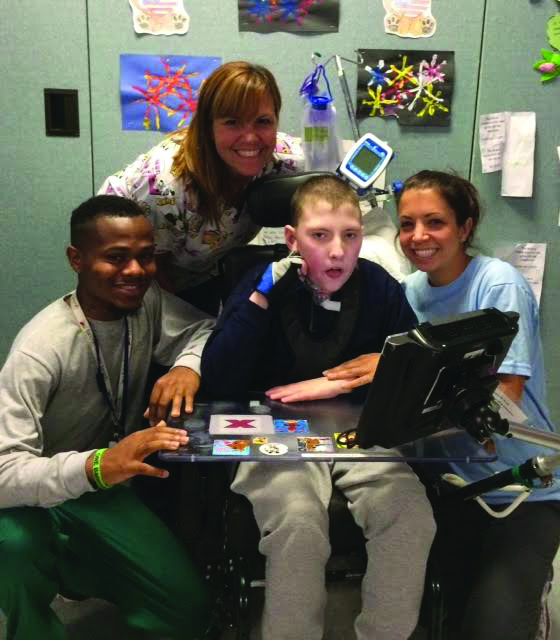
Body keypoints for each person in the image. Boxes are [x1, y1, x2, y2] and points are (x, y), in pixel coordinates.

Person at [201, 175, 436, 640]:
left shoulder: (378, 286)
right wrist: (260, 296)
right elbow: (219, 380)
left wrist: (349, 380)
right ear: (292, 239)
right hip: (273, 432)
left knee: (411, 517)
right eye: (320, 236)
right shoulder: (260, 283)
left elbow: (408, 370)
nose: (337, 252)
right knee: (299, 524)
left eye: (350, 236)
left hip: (356, 430)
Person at [0, 195, 216, 640]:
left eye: (144, 257)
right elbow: (4, 472)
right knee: (13, 546)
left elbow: (203, 328)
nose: (135, 272)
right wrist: (98, 465)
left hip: (103, 492)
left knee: (187, 611)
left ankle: (77, 568)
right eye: (116, 258)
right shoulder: (39, 350)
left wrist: (184, 366)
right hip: (34, 497)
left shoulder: (146, 303)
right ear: (76, 260)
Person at [396, 169, 560, 640]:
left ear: (466, 227)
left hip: (520, 489)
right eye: (407, 224)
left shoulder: (498, 283)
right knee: (429, 621)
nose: (418, 237)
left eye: (435, 222)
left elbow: (503, 402)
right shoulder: (407, 294)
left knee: (493, 629)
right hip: (449, 489)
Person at [98, 60, 303, 315]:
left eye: (263, 121)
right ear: (208, 126)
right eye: (232, 122)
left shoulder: (283, 159)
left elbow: (342, 170)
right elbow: (153, 271)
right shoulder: (167, 186)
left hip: (201, 265)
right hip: (132, 268)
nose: (250, 137)